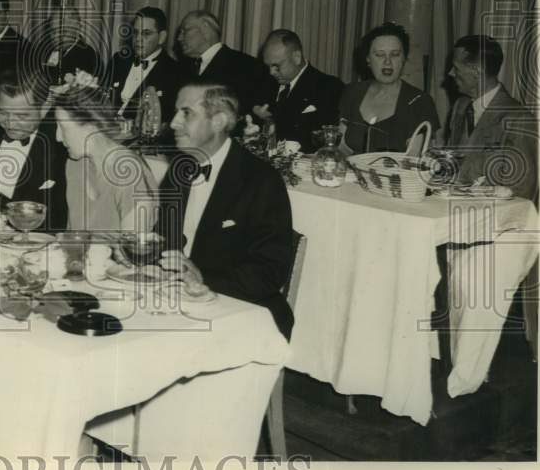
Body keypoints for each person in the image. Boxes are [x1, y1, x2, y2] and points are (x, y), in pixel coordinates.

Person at [155, 79, 295, 340]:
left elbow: (269, 270)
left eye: (186, 113)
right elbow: (162, 236)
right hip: (180, 300)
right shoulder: (178, 171)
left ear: (218, 121)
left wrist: (202, 278)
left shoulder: (260, 180)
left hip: (240, 307)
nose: (173, 122)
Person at [0, 72, 68, 232]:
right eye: (3, 113)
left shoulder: (61, 145)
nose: (10, 123)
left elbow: (58, 220)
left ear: (45, 107)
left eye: (22, 115)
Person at [53, 85, 158, 233]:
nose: (58, 137)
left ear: (91, 128)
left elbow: (134, 248)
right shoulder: (74, 164)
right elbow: (73, 237)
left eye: (63, 128)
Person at [446, 34, 538, 201]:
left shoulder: (519, 121)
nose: (451, 73)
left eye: (456, 68)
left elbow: (521, 194)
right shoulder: (460, 106)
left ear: (477, 71)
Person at [338, 22, 440, 155]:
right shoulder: (352, 92)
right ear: (368, 59)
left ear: (404, 58)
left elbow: (413, 160)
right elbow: (341, 148)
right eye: (379, 55)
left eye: (395, 54)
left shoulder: (420, 101)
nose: (387, 61)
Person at [252, 29, 344, 153]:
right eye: (268, 66)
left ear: (297, 57)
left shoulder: (328, 86)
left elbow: (324, 141)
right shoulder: (264, 83)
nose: (271, 72)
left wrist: (271, 121)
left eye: (276, 66)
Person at [175, 10, 266, 116]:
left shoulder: (246, 66)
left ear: (206, 29)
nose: (179, 38)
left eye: (185, 30)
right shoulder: (181, 68)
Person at [107, 6, 182, 127]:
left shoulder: (175, 72)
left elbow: (167, 122)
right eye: (135, 32)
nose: (138, 39)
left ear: (162, 37)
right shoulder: (119, 60)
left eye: (146, 33)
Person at [38, 6, 106, 87]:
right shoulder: (44, 49)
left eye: (63, 32)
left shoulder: (89, 57)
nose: (56, 37)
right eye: (53, 32)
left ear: (77, 29)